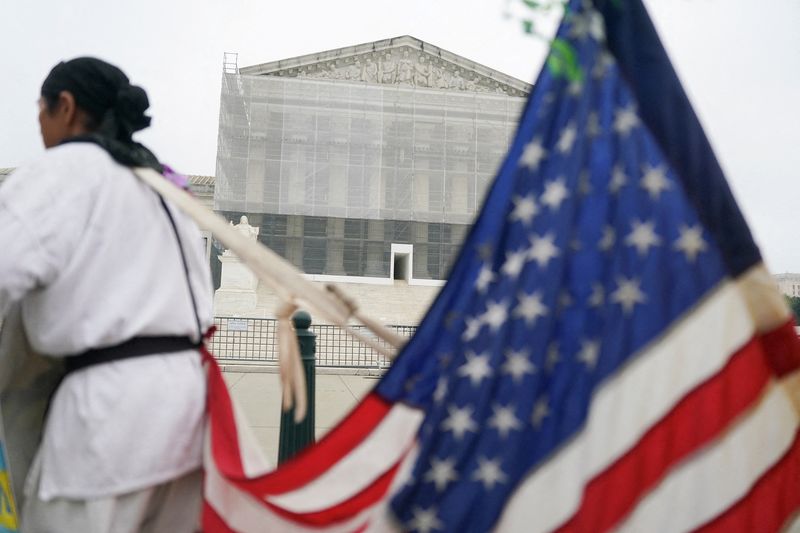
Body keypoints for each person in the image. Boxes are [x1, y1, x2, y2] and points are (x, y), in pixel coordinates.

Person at [0, 57, 213, 532]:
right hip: (187, 412)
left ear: (67, 108)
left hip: (106, 421)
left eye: (41, 109)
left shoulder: (61, 172)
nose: (38, 124)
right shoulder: (162, 184)